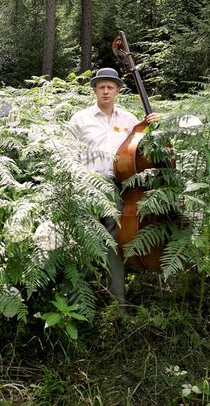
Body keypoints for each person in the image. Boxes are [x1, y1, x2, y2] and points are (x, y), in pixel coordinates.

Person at [68, 67, 159, 304]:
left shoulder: (129, 120)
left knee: (114, 244)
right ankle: (79, 302)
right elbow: (67, 154)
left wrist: (152, 125)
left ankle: (118, 301)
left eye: (110, 87)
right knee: (86, 242)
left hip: (116, 189)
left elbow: (144, 148)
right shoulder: (80, 118)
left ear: (118, 90)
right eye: (101, 87)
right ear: (95, 90)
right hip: (86, 186)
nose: (106, 91)